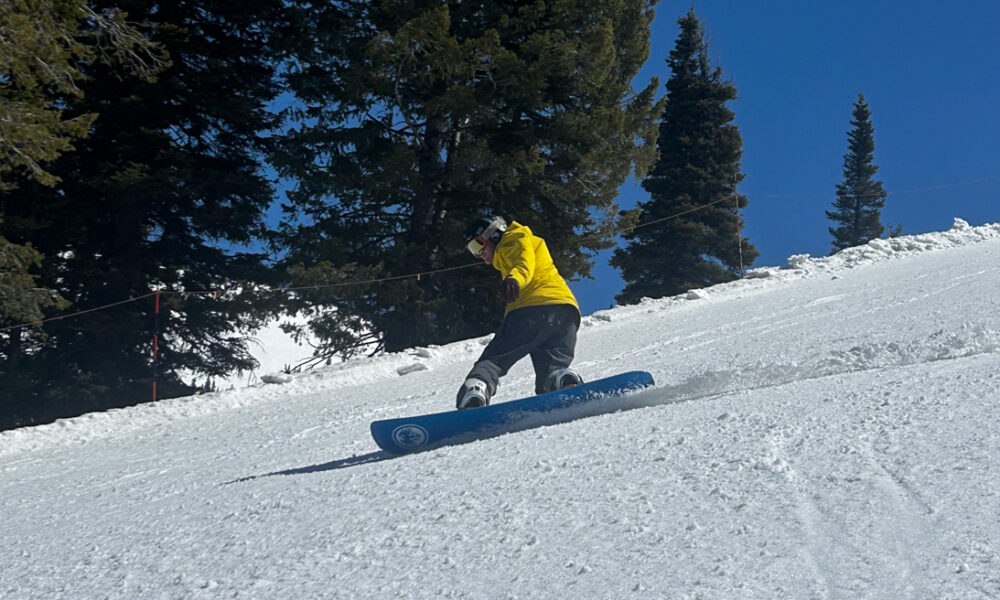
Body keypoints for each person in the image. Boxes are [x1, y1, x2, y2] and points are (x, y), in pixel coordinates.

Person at [456, 215, 583, 410]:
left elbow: (523, 263)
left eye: (477, 245)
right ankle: (563, 380)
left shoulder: (513, 239)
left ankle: (476, 391)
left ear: (494, 235)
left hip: (532, 309)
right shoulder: (526, 241)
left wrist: (514, 278)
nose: (478, 254)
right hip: (565, 312)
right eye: (472, 250)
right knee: (552, 366)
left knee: (493, 360)